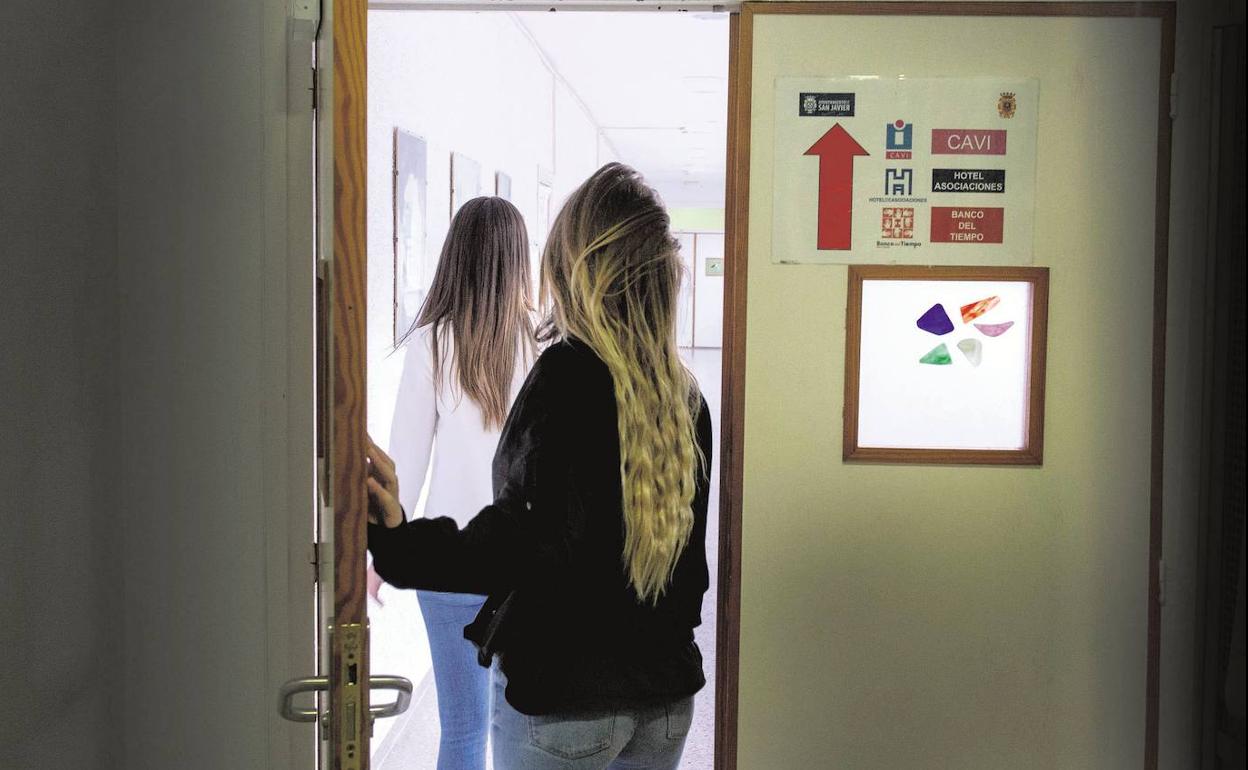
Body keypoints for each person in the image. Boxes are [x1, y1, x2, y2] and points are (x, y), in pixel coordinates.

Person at [366, 162, 713, 770]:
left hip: (568, 703)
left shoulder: (565, 377)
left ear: (576, 268)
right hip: (664, 703)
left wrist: (395, 546)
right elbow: (689, 575)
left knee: (461, 727)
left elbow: (511, 544)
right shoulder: (683, 395)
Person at [381, 195, 536, 770]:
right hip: (527, 566)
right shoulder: (546, 344)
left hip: (448, 567)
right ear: (521, 261)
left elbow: (402, 467)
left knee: (464, 731)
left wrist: (378, 554)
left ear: (456, 257)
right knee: (521, 727)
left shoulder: (431, 343)